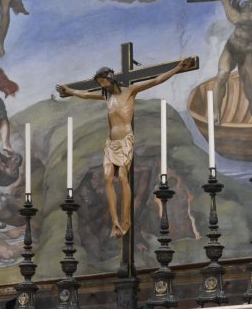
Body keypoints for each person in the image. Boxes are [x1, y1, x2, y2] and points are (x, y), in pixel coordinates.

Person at [56, 56, 195, 238]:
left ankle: (126, 220)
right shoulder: (106, 98)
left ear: (111, 76)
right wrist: (70, 91)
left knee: (122, 177)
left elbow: (155, 80)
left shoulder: (129, 91)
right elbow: (85, 94)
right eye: (100, 83)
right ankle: (115, 222)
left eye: (104, 80)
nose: (103, 85)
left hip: (125, 141)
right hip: (111, 143)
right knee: (107, 179)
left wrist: (177, 68)